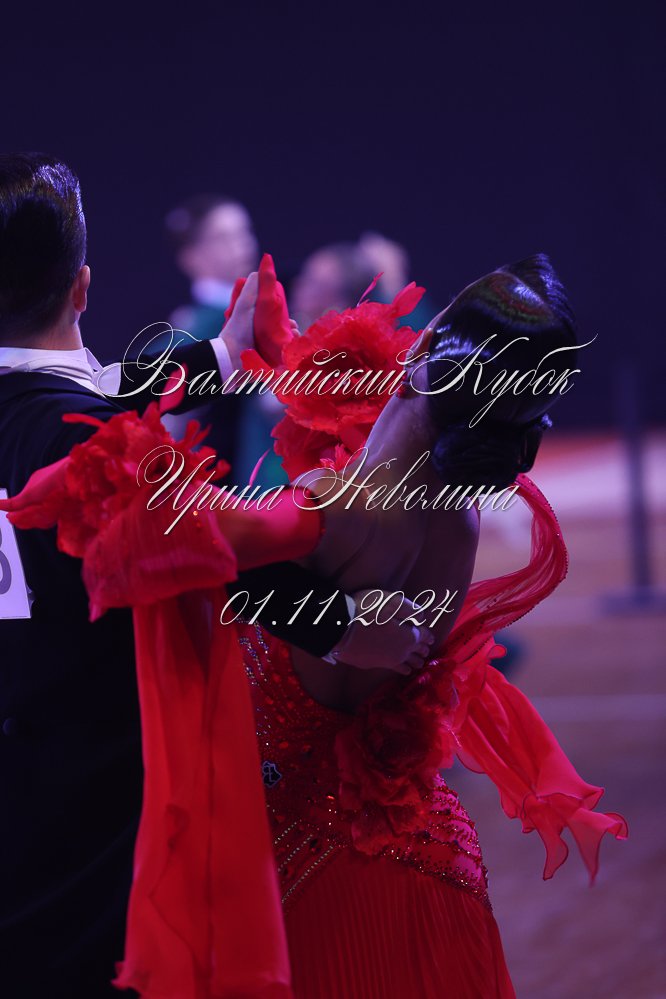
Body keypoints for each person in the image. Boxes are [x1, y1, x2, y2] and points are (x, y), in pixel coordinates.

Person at [0, 154, 433, 999]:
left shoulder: (59, 417)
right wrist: (343, 626)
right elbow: (194, 541)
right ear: (82, 286)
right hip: (89, 817)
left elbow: (94, 396)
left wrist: (223, 357)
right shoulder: (77, 436)